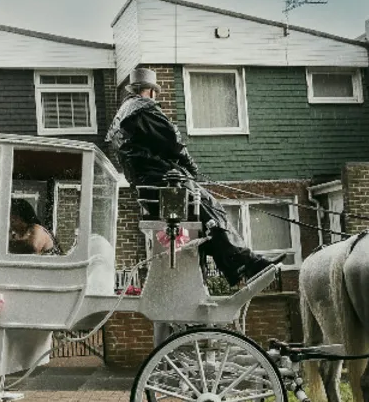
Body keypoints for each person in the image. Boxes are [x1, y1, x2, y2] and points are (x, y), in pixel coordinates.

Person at [106, 67, 285, 286]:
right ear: (151, 91)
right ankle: (241, 262)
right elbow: (174, 142)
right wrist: (191, 167)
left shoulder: (121, 115)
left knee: (208, 210)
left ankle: (237, 262)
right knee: (211, 210)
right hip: (164, 181)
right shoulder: (144, 109)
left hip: (150, 183)